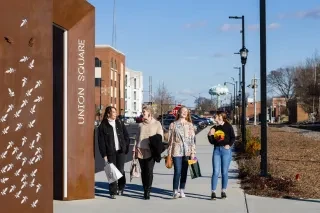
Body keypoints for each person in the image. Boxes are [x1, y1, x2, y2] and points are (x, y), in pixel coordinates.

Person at [98, 106, 130, 199]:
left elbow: (126, 136)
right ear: (108, 113)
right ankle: (112, 191)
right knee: (112, 171)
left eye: (115, 112)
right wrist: (104, 154)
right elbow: (101, 142)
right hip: (110, 152)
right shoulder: (103, 126)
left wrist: (126, 147)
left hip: (120, 151)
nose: (115, 114)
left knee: (120, 170)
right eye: (113, 112)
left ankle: (121, 187)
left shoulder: (119, 122)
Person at [133, 105, 163, 200]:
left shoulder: (157, 123)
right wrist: (134, 150)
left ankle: (148, 191)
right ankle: (145, 189)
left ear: (149, 113)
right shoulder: (140, 125)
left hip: (151, 150)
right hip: (140, 150)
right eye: (142, 112)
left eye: (144, 112)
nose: (142, 113)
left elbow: (160, 136)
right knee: (143, 171)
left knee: (149, 171)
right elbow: (137, 138)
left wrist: (153, 140)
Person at [167, 106, 196, 199]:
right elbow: (170, 140)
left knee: (184, 171)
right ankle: (175, 191)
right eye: (183, 111)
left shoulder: (190, 125)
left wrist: (193, 152)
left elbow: (192, 140)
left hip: (187, 151)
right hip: (176, 150)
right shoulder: (173, 125)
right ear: (179, 112)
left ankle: (182, 189)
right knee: (177, 170)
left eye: (186, 112)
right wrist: (169, 153)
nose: (184, 113)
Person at [207, 111, 235, 200]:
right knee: (215, 171)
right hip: (217, 151)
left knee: (224, 172)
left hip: (225, 151)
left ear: (221, 117)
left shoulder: (228, 126)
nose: (216, 118)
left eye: (217, 117)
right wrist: (210, 135)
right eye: (216, 117)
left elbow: (233, 137)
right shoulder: (214, 128)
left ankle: (223, 191)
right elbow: (212, 142)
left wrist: (229, 145)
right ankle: (213, 192)